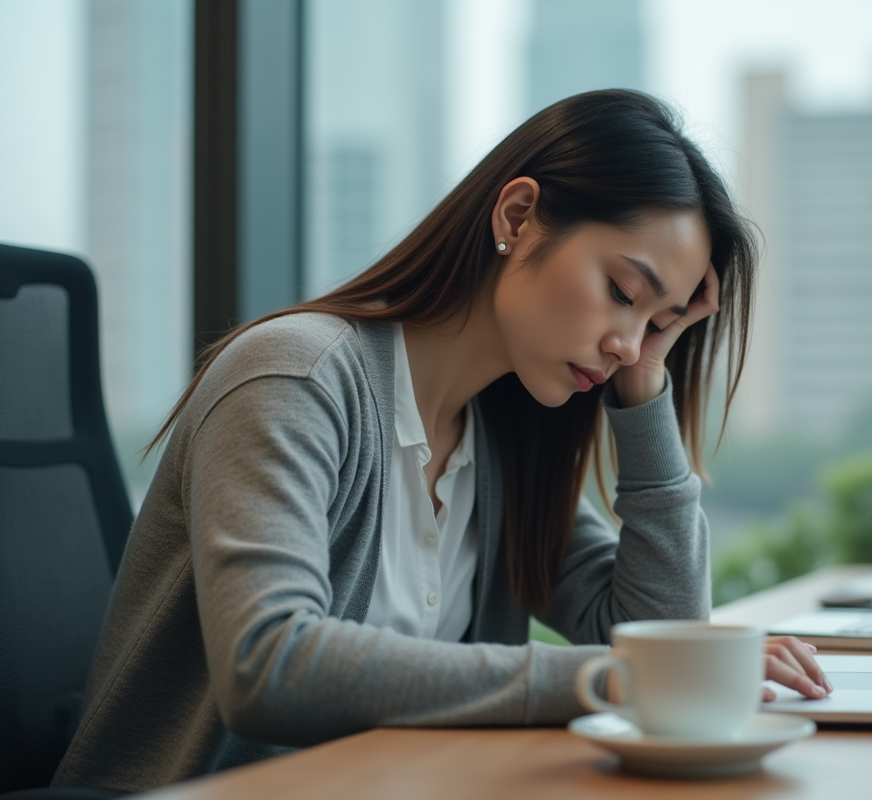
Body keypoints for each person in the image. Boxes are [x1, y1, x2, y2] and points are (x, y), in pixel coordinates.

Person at [53, 90, 830, 792]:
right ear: (518, 216)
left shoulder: (501, 439)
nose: (628, 341)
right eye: (623, 293)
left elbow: (656, 631)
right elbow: (270, 665)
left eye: (658, 322)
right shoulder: (296, 380)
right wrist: (612, 677)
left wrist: (647, 387)